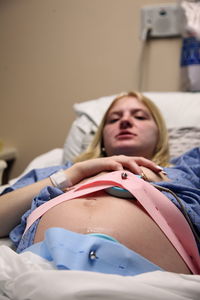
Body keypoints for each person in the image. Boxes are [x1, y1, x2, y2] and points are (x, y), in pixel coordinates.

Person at [0, 91, 199, 276]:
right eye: (114, 119)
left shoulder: (185, 168)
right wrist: (72, 174)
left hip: (150, 281)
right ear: (102, 137)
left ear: (159, 136)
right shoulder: (58, 171)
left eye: (139, 117)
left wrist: (157, 177)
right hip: (39, 272)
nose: (125, 121)